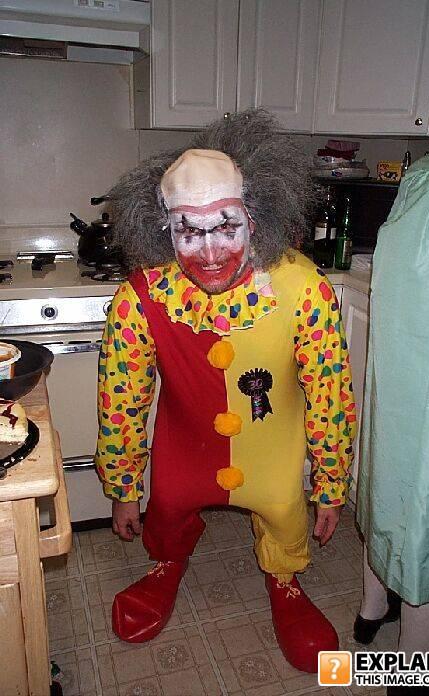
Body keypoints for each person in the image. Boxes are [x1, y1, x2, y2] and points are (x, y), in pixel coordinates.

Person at [95, 109, 356, 673]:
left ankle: (284, 576)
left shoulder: (303, 288)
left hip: (272, 450)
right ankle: (168, 559)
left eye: (226, 226)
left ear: (254, 219)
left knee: (283, 510)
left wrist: (331, 484)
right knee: (169, 506)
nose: (210, 252)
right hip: (182, 447)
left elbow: (330, 394)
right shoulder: (141, 297)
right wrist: (123, 488)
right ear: (163, 230)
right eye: (188, 231)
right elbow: (122, 402)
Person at [354, 136, 429, 692]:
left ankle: (371, 611)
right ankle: (412, 667)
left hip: (406, 365)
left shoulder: (428, 173)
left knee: (395, 482)